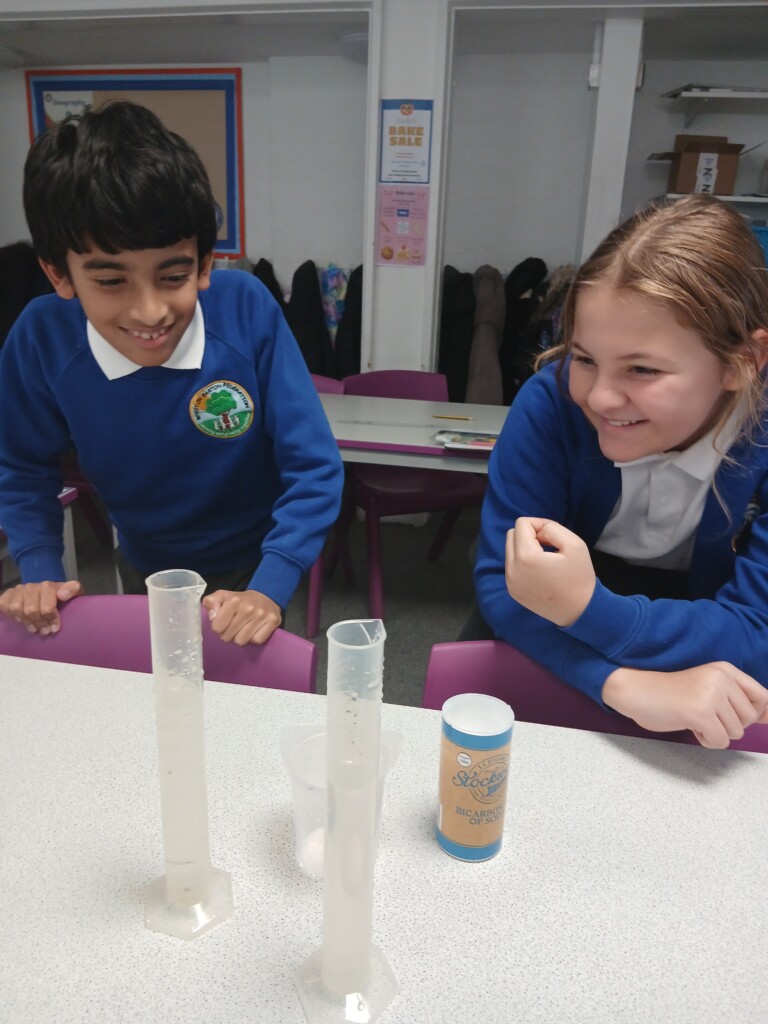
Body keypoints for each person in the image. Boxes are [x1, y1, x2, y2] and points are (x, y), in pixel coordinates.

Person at [0, 101, 344, 645]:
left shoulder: (245, 310)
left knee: (253, 708)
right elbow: (21, 467)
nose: (150, 312)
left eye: (174, 275)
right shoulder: (43, 337)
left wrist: (271, 584)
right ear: (59, 275)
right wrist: (39, 568)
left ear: (205, 263)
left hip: (256, 563)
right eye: (111, 281)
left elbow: (314, 466)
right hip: (143, 563)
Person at [475, 195, 768, 749]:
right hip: (554, 627)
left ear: (743, 364)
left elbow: (758, 632)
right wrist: (620, 685)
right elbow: (504, 585)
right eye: (584, 358)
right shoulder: (550, 405)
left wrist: (592, 612)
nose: (601, 396)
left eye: (642, 369)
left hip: (672, 622)